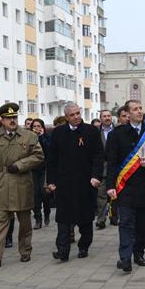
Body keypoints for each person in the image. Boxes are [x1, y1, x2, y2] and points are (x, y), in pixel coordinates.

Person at [0, 104, 44, 267]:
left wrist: (20, 165)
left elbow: (38, 156)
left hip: (22, 182)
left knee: (24, 222)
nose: (12, 121)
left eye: (15, 117)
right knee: (0, 221)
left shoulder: (28, 136)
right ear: (1, 120)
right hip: (1, 184)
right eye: (9, 118)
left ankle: (25, 250)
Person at [106, 100, 145, 272]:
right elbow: (112, 161)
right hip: (125, 187)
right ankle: (125, 258)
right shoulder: (118, 134)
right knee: (126, 223)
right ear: (127, 114)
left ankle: (138, 253)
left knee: (141, 224)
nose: (139, 111)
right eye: (135, 109)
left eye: (140, 108)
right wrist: (110, 185)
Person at [47, 103, 104, 261]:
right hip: (64, 183)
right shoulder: (58, 133)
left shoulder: (91, 131)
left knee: (85, 218)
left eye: (78, 113)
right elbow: (52, 159)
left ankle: (84, 245)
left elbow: (99, 155)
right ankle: (62, 250)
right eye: (72, 115)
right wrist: (50, 181)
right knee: (63, 218)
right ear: (66, 117)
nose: (76, 117)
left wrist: (96, 176)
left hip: (86, 182)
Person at [95, 109, 115, 230]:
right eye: (104, 116)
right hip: (101, 169)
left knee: (115, 196)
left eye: (109, 116)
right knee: (101, 196)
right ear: (100, 119)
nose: (107, 118)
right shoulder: (96, 132)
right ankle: (101, 219)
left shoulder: (118, 130)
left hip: (115, 168)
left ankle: (114, 217)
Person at [30, 118, 52, 229]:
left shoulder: (47, 137)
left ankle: (47, 213)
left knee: (44, 194)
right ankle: (38, 219)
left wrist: (42, 137)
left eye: (39, 126)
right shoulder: (29, 138)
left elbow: (49, 150)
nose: (37, 128)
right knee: (35, 195)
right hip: (33, 169)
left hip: (45, 169)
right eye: (34, 126)